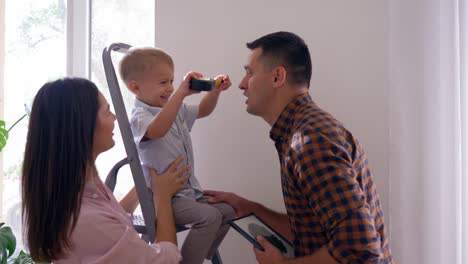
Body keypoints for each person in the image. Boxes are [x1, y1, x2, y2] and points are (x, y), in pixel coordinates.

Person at [205, 31, 394, 263]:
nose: (242, 85)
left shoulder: (310, 140)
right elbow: (311, 230)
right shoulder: (300, 132)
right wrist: (250, 208)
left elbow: (359, 248)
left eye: (249, 73)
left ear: (277, 77)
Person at [22, 78, 189, 263]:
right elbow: (167, 260)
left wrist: (144, 185)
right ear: (84, 125)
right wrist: (162, 198)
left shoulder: (81, 191)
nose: (115, 117)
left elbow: (115, 221)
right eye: (107, 111)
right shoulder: (87, 221)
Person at [119, 47, 236, 264]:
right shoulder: (139, 117)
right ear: (135, 87)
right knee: (209, 217)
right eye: (163, 83)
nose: (170, 88)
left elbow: (203, 110)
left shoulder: (174, 108)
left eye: (172, 81)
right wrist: (180, 93)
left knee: (228, 211)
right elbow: (157, 130)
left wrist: (214, 91)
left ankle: (201, 254)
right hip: (164, 199)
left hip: (189, 192)